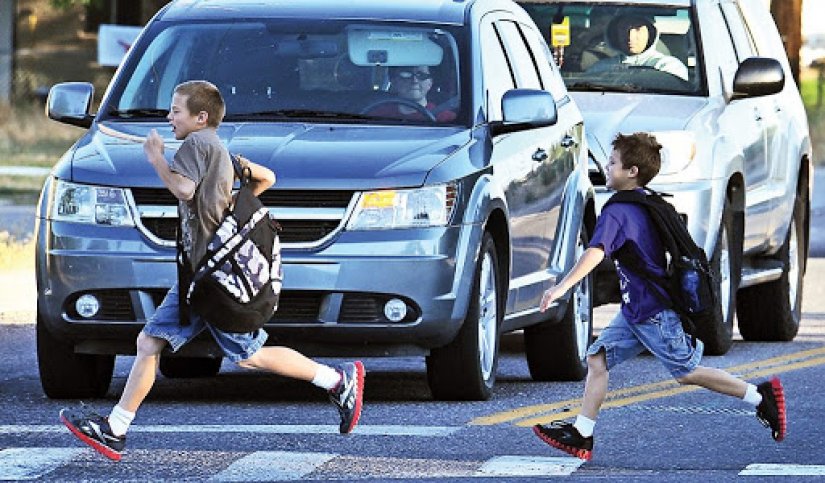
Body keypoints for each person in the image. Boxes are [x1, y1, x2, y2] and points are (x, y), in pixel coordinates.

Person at [58, 80, 366, 462]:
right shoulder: (222, 151)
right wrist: (228, 204)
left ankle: (337, 380)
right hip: (203, 274)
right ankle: (116, 429)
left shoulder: (196, 144)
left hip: (209, 277)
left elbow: (184, 190)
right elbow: (267, 178)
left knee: (247, 354)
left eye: (176, 110)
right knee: (153, 342)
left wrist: (156, 158)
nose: (169, 117)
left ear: (200, 117)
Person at [531, 132, 786, 461]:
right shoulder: (645, 200)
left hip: (652, 311)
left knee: (687, 372)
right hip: (636, 310)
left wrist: (561, 287)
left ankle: (760, 396)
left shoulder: (618, 212)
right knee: (597, 359)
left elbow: (595, 252)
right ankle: (583, 433)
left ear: (631, 171)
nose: (606, 168)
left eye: (612, 163)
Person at [587, 14, 688, 81]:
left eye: (638, 29)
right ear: (614, 33)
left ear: (651, 33)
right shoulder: (600, 68)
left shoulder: (668, 67)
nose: (630, 36)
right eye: (623, 28)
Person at [369, 65, 456, 122]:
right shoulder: (378, 115)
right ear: (394, 81)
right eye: (406, 74)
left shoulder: (446, 118)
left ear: (430, 83)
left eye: (421, 75)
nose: (414, 81)